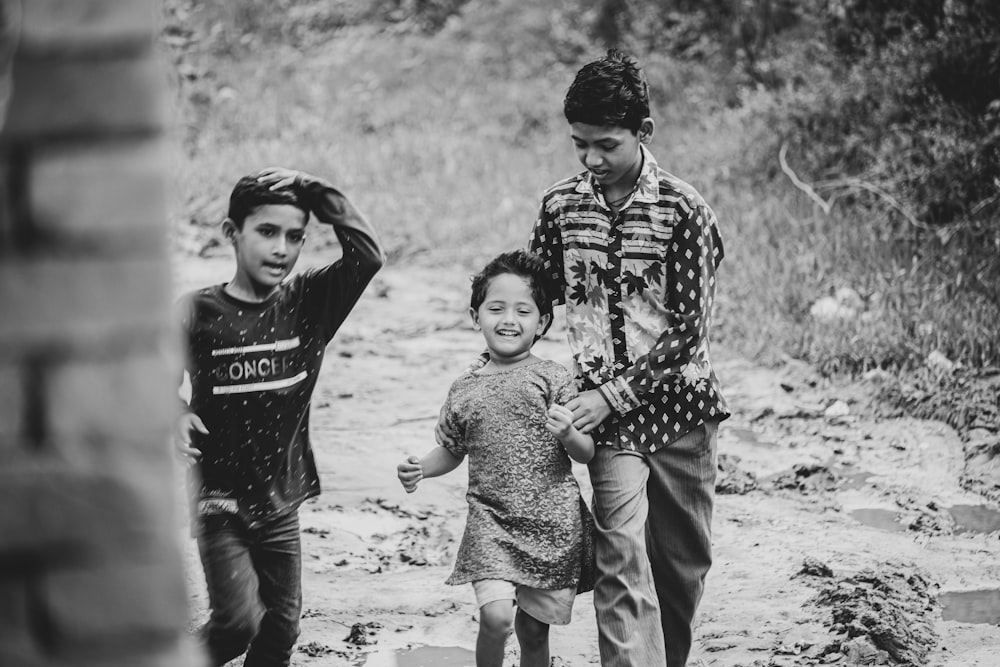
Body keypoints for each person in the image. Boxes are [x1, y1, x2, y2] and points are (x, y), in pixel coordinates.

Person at [439, 49, 729, 667]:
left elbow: (688, 336)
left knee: (681, 568)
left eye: (606, 145)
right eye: (580, 146)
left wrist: (610, 395)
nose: (592, 160)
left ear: (642, 133)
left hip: (681, 410)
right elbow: (533, 297)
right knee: (621, 559)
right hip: (608, 422)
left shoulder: (686, 213)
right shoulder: (562, 206)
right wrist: (497, 366)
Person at [175, 167, 385, 667]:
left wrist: (316, 189)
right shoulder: (196, 312)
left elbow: (368, 255)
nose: (281, 249)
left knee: (281, 629)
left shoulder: (310, 303)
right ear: (232, 233)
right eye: (267, 232)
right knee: (236, 622)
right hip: (217, 498)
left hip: (281, 499)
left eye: (295, 237)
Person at [399, 250, 596, 667]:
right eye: (496, 308)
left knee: (531, 630)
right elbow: (453, 450)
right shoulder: (464, 388)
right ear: (476, 317)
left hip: (551, 525)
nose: (509, 319)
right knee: (496, 617)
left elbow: (585, 452)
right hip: (491, 522)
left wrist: (569, 433)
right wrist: (422, 468)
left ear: (542, 323)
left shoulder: (553, 379)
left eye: (523, 311)